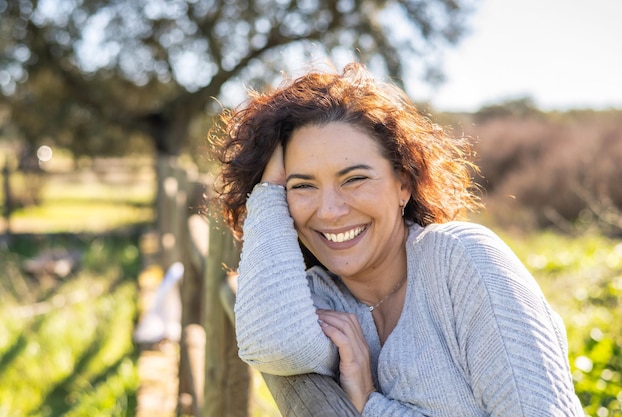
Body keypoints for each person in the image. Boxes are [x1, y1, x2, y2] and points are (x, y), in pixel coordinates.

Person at [210, 62, 585, 416]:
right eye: (302, 185)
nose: (329, 211)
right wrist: (268, 192)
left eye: (354, 179)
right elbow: (274, 345)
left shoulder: (462, 261)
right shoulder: (319, 298)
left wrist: (372, 405)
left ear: (403, 183)